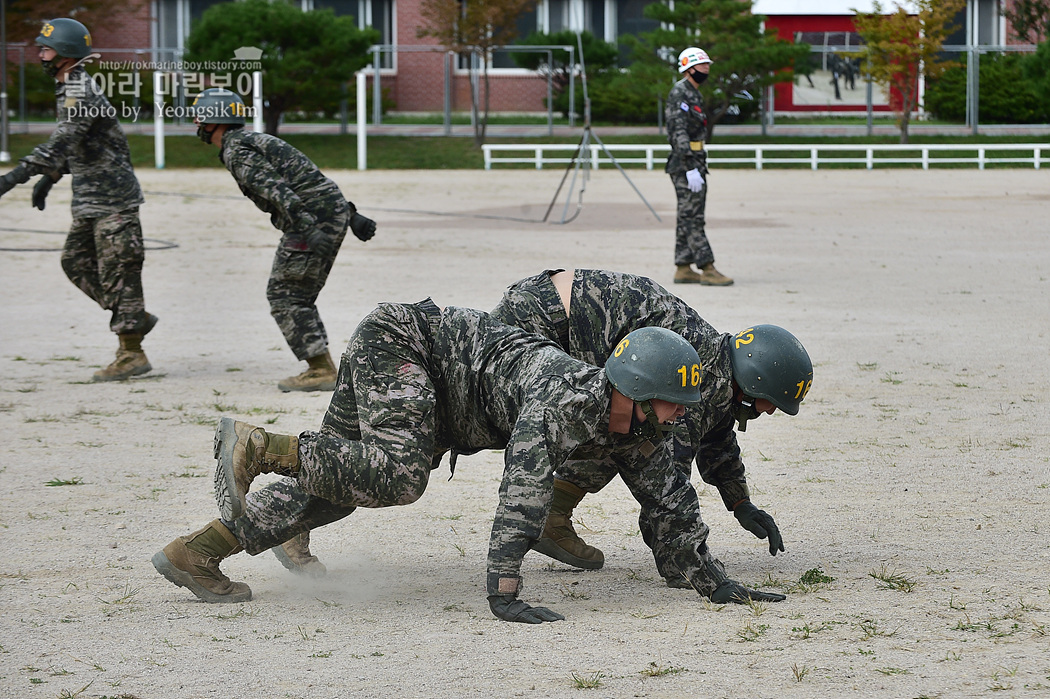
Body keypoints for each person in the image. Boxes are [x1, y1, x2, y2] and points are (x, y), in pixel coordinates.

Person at [153, 301, 785, 622]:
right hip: (406, 342)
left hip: (444, 394)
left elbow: (671, 503)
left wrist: (713, 582)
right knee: (399, 475)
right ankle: (263, 448)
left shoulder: (636, 426)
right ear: (638, 395)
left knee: (351, 479)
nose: (683, 419)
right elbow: (521, 500)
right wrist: (504, 594)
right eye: (673, 406)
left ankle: (197, 551)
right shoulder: (561, 403)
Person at [489, 269, 813, 586]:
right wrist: (688, 564)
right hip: (540, 321)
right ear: (756, 383)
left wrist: (740, 502)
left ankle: (553, 514)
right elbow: (665, 483)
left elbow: (717, 436)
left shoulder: (715, 365)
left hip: (543, 304)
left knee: (622, 425)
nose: (771, 412)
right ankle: (546, 518)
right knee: (622, 431)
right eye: (773, 401)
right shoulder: (700, 379)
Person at [190, 88, 377, 392]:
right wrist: (350, 215)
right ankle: (324, 367)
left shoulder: (237, 149)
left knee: (285, 296)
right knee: (296, 295)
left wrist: (309, 229)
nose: (196, 123)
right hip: (323, 215)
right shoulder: (252, 141)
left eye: (200, 117)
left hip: (309, 220)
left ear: (215, 120)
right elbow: (310, 179)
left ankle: (320, 370)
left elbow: (278, 191)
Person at [0, 18, 157, 381]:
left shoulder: (78, 88)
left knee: (120, 272)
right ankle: (133, 317)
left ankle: (131, 351)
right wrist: (51, 178)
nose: (40, 53)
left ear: (67, 53)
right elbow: (80, 145)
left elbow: (61, 142)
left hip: (113, 200)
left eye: (46, 48)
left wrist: (15, 177)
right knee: (75, 262)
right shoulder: (67, 87)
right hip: (89, 198)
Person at [665, 47, 733, 286]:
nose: (706, 69)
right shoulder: (680, 93)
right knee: (693, 217)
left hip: (695, 160)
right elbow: (677, 131)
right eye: (702, 66)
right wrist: (689, 166)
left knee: (688, 214)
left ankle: (683, 266)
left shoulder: (693, 93)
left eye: (707, 65)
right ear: (689, 69)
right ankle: (707, 266)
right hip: (686, 163)